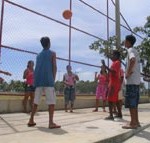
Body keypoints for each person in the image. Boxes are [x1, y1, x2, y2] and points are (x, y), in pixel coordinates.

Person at [28, 36, 61, 129]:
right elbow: (54, 67)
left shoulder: (38, 55)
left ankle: (31, 120)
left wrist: (35, 81)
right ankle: (51, 123)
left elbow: (37, 68)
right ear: (49, 43)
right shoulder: (53, 53)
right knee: (51, 102)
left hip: (38, 81)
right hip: (48, 81)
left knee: (36, 102)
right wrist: (53, 79)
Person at [122, 35, 141, 129]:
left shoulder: (130, 50)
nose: (124, 42)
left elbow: (132, 60)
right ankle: (136, 122)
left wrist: (128, 73)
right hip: (136, 82)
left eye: (125, 40)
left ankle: (133, 123)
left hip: (132, 81)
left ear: (128, 42)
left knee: (131, 103)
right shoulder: (135, 50)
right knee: (135, 103)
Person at [101, 50, 121, 120]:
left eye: (113, 55)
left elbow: (113, 71)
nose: (111, 56)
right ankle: (120, 114)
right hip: (114, 83)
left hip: (113, 84)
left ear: (116, 56)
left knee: (110, 99)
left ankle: (111, 115)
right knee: (116, 99)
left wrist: (105, 66)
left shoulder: (116, 62)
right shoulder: (115, 62)